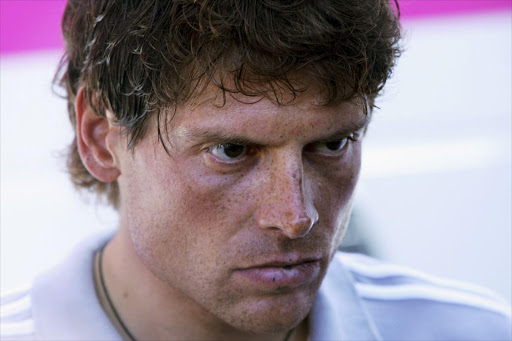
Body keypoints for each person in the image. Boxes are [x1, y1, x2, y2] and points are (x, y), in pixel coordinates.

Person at [1, 0, 511, 340]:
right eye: (230, 151)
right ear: (100, 138)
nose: (294, 216)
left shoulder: (474, 330)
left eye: (331, 143)